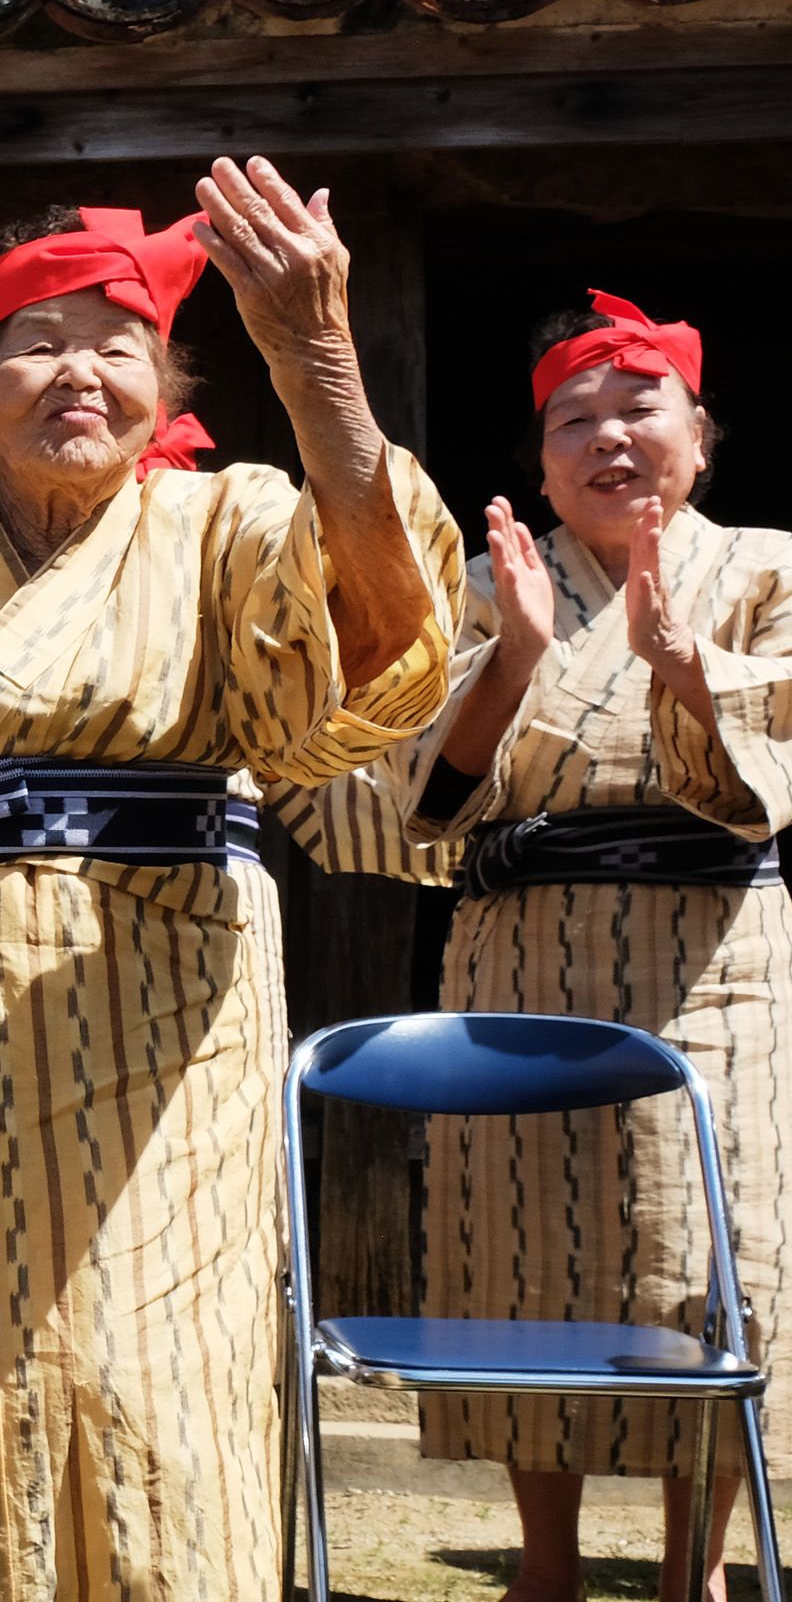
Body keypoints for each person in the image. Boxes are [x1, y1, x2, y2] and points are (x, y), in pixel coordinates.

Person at [0, 176, 466, 1600]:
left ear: (165, 393)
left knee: (156, 1406)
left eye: (118, 345)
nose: (79, 371)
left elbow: (359, 678)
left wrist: (322, 377)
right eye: (32, 342)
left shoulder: (226, 527)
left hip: (165, 1049)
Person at [309, 291, 789, 1602]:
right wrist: (514, 654)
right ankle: (547, 1564)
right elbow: (418, 787)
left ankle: (694, 1569)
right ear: (538, 463)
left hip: (720, 959)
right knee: (519, 1253)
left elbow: (781, 752)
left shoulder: (771, 569)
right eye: (573, 418)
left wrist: (690, 667)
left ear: (703, 433)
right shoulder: (482, 583)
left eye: (640, 407)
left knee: (715, 1264)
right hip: (521, 950)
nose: (608, 437)